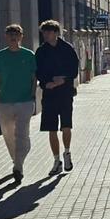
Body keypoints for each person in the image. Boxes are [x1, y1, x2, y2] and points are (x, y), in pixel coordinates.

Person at [0, 24, 37, 183]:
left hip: (25, 102)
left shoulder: (29, 55)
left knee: (22, 134)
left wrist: (32, 96)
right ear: (6, 37)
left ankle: (18, 166)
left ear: (21, 37)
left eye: (16, 34)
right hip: (5, 103)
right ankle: (16, 160)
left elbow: (34, 77)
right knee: (8, 135)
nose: (13, 37)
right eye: (10, 35)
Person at [36, 19, 80, 176]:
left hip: (65, 93)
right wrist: (46, 83)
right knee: (51, 128)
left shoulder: (67, 49)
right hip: (49, 94)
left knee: (66, 125)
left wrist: (64, 79)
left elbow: (74, 69)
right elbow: (38, 71)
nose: (46, 35)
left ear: (55, 33)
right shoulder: (41, 51)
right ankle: (56, 161)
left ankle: (67, 153)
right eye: (44, 33)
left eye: (48, 32)